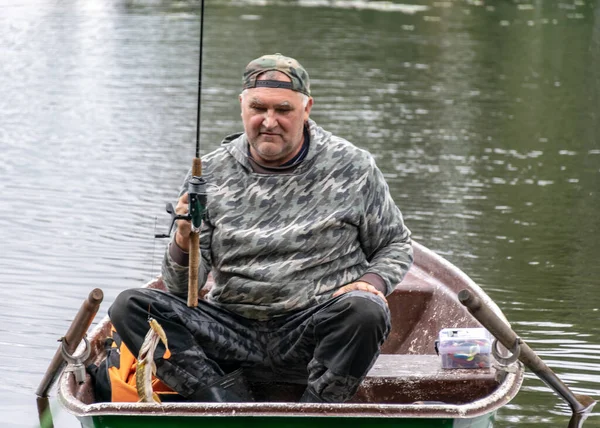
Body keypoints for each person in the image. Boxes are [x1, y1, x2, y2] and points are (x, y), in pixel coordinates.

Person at [109, 53, 413, 403]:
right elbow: (180, 290)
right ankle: (222, 403)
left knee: (365, 310)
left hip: (312, 331)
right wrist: (182, 240)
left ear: (306, 108)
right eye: (259, 108)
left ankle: (317, 410)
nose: (269, 121)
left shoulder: (353, 166)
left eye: (283, 110)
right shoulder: (207, 173)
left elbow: (396, 244)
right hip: (230, 330)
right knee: (130, 306)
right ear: (242, 106)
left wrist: (371, 283)